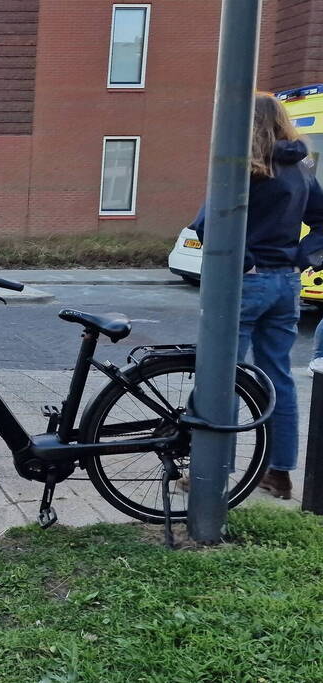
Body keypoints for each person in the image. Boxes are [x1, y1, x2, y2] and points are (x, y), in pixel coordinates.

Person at [192, 92, 323, 499]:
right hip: (286, 285)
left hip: (245, 284)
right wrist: (302, 258)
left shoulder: (244, 166)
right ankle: (279, 474)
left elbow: (206, 224)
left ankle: (213, 470)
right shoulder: (301, 168)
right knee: (277, 376)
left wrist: (245, 260)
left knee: (222, 375)